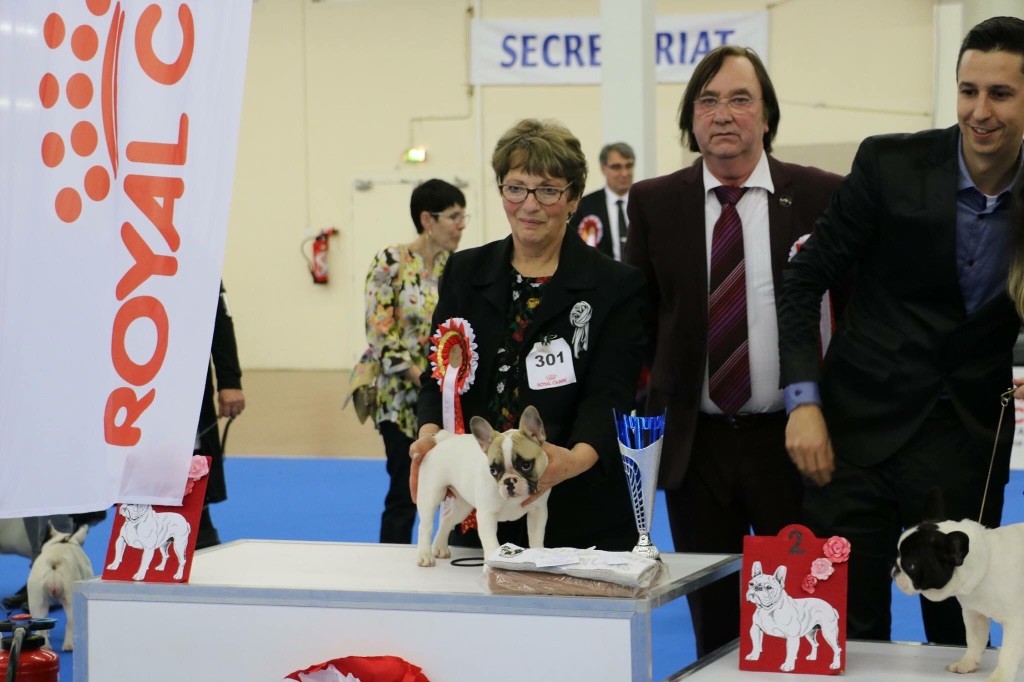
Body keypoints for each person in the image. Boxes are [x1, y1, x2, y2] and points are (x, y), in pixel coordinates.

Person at [779, 16, 1024, 645]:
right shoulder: (889, 164)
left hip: (966, 443)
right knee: (843, 633)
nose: (980, 111)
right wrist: (803, 402)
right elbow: (804, 280)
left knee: (960, 637)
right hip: (853, 438)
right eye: (968, 91)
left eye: (1000, 93)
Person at [625, 45, 842, 657]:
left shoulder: (822, 195)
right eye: (708, 101)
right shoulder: (654, 202)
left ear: (767, 116)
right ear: (691, 120)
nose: (723, 114)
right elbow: (640, 319)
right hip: (697, 449)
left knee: (800, 610)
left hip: (793, 441)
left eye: (740, 99)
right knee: (715, 623)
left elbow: (850, 313)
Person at [410, 119, 644, 552]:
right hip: (479, 506)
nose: (529, 205)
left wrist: (571, 462)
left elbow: (610, 393)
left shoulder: (616, 285)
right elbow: (438, 377)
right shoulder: (464, 271)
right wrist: (430, 438)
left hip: (577, 509)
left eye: (548, 190)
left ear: (574, 197)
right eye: (516, 188)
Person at [366, 179, 467, 544]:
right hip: (398, 399)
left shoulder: (455, 267)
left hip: (443, 397)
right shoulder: (390, 261)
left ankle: (443, 550)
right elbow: (379, 331)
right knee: (403, 487)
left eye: (463, 216)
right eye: (453, 216)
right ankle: (391, 559)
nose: (461, 225)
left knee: (453, 484)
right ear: (427, 219)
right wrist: (424, 377)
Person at [194, 282, 246, 549]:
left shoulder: (200, 260)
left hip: (186, 379)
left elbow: (219, 315)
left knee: (192, 466)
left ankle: (200, 535)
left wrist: (230, 379)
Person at [568, 142, 635, 261]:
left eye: (628, 166)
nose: (624, 173)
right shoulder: (585, 206)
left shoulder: (644, 202)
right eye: (616, 167)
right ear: (603, 168)